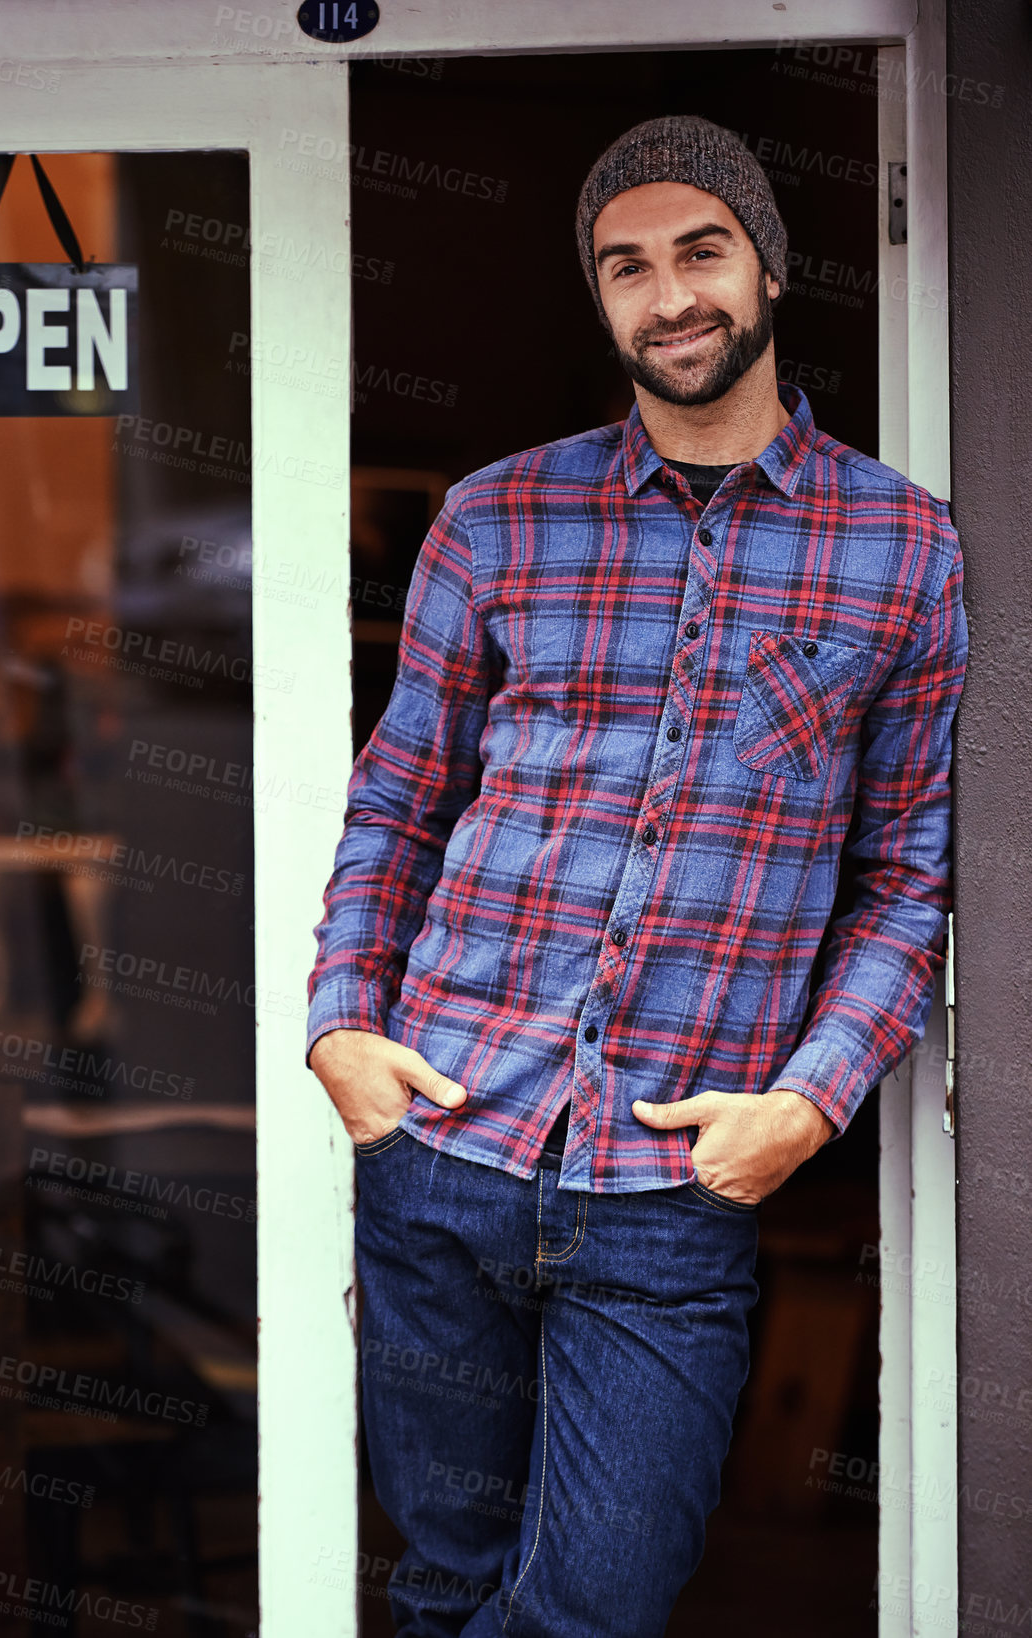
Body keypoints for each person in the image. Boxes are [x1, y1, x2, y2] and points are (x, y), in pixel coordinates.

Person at [304, 114, 968, 1637]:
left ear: (769, 267)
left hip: (671, 1190)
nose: (669, 296)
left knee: (593, 1604)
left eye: (701, 252)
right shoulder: (496, 518)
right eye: (628, 266)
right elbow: (399, 797)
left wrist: (808, 1100)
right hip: (447, 1142)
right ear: (599, 298)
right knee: (446, 1583)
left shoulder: (904, 551)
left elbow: (904, 873)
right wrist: (344, 1027)